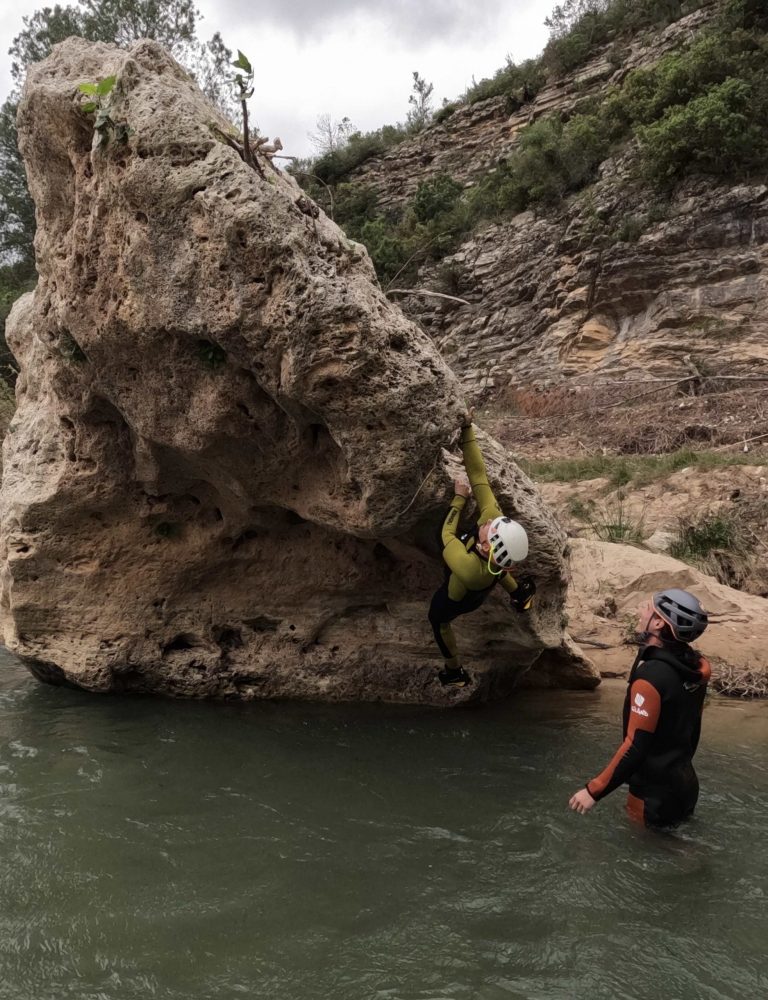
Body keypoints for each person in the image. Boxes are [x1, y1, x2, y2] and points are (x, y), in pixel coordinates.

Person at [569, 589, 711, 828]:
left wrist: (593, 791)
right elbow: (693, 730)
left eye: (646, 607)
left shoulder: (651, 677)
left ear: (657, 622)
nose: (639, 611)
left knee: (653, 850)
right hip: (684, 782)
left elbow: (635, 745)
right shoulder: (694, 668)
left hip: (652, 793)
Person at [428, 414, 536, 687]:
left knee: (437, 620)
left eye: (491, 528)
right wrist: (467, 428)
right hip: (490, 571)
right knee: (497, 570)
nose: (489, 520)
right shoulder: (493, 525)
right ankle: (520, 594)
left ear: (488, 545)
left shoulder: (469, 570)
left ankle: (454, 671)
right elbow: (478, 475)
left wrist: (459, 499)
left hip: (462, 596)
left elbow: (446, 536)